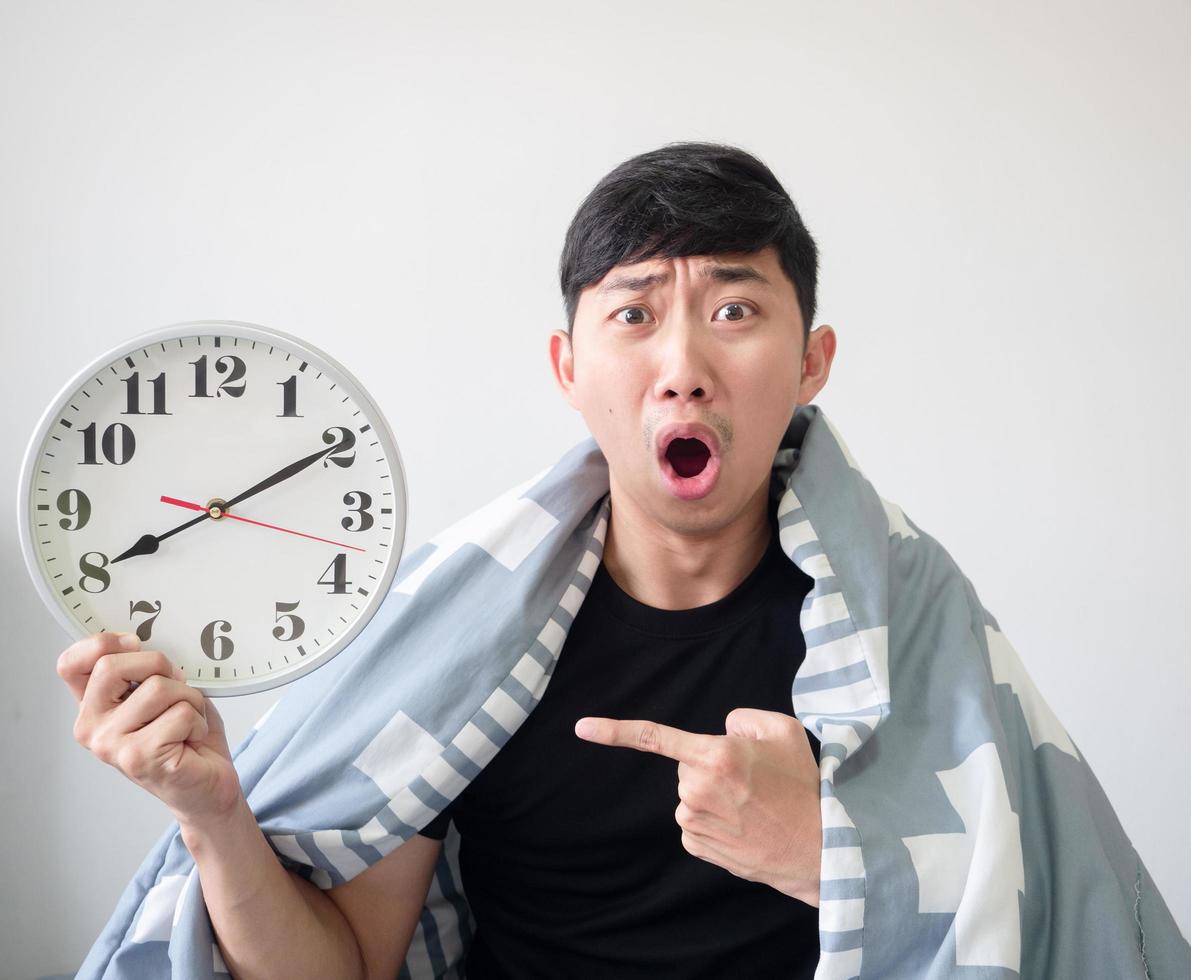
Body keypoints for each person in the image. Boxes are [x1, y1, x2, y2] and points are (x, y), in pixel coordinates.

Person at [58, 141, 838, 977]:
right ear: (568, 369)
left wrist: (823, 857)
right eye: (634, 315)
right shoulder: (456, 647)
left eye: (732, 312)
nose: (682, 371)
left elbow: (984, 916)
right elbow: (344, 967)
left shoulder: (901, 632)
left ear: (809, 363)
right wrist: (214, 818)